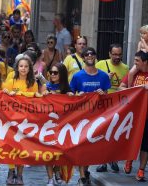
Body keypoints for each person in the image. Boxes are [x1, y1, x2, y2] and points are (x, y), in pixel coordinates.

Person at [69, 47, 111, 186]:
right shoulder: (77, 76)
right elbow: (70, 95)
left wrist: (103, 94)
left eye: (92, 54)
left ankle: (85, 172)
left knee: (91, 148)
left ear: (95, 57)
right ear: (83, 58)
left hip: (98, 118)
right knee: (82, 147)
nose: (89, 56)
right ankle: (82, 177)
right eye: (86, 54)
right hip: (82, 117)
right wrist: (77, 96)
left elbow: (108, 96)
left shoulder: (104, 76)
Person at [119, 51, 148, 182]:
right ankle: (129, 160)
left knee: (146, 144)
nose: (134, 63)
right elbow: (121, 87)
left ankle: (141, 170)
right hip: (133, 115)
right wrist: (130, 91)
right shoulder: (134, 73)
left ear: (145, 62)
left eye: (137, 60)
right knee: (131, 140)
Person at [3, 57, 40, 185]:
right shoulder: (10, 81)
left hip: (26, 120)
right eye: (21, 66)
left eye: (26, 66)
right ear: (17, 68)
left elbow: (35, 99)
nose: (23, 68)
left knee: (23, 146)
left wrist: (22, 95)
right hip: (12, 120)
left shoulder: (33, 83)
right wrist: (7, 92)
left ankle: (20, 174)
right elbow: (4, 97)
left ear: (29, 69)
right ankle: (11, 171)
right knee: (11, 146)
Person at [95, 43, 129, 172]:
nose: (117, 57)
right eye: (114, 54)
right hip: (103, 105)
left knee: (115, 134)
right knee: (103, 133)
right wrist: (105, 79)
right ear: (109, 54)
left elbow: (128, 87)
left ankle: (113, 159)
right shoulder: (100, 65)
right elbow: (95, 83)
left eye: (119, 54)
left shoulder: (125, 68)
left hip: (118, 107)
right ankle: (103, 162)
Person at [42, 63, 73, 186]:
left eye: (56, 73)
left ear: (62, 74)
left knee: (61, 152)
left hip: (62, 126)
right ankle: (50, 178)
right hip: (47, 125)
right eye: (51, 72)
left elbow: (74, 105)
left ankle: (57, 170)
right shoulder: (46, 87)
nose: (53, 75)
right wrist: (43, 96)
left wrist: (71, 96)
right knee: (48, 153)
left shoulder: (67, 89)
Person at [127, 25, 148, 99]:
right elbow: (138, 53)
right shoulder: (140, 43)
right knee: (131, 72)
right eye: (141, 33)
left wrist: (144, 42)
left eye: (144, 33)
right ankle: (129, 88)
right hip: (141, 61)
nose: (142, 35)